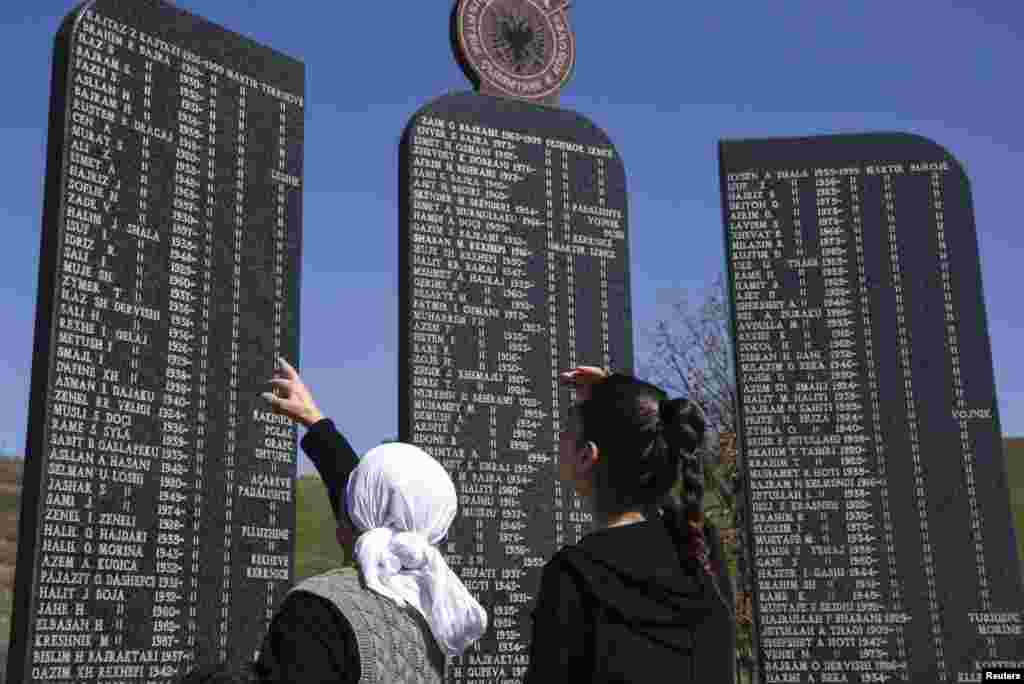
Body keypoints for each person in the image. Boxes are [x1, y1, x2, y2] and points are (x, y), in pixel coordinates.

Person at [254, 358, 488, 684]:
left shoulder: (316, 610)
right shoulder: (431, 613)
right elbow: (378, 506)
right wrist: (316, 423)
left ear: (349, 517)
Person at [523, 366, 737, 683]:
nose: (559, 436)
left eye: (567, 428)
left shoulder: (576, 574)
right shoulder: (699, 547)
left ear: (587, 457)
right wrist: (617, 394)